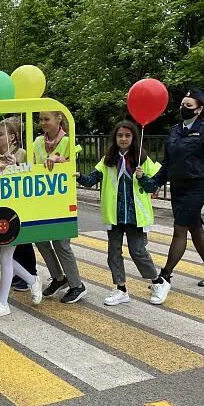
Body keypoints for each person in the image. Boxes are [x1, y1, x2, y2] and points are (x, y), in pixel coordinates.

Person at [136, 88, 204, 302]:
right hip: (178, 187)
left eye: (189, 106)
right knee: (194, 228)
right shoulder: (176, 131)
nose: (183, 109)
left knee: (180, 229)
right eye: (182, 105)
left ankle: (164, 275)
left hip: (197, 187)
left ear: (199, 109)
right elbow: (168, 163)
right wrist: (154, 182)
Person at [77, 121, 161, 305]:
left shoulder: (142, 158)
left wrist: (143, 177)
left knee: (138, 251)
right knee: (113, 253)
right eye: (120, 136)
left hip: (135, 215)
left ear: (134, 137)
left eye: (127, 136)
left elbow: (153, 186)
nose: (123, 139)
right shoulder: (108, 159)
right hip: (114, 214)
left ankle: (157, 281)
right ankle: (121, 288)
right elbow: (92, 179)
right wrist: (79, 176)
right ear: (115, 138)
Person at [0, 117, 43, 319]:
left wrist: (16, 165)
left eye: (0, 134)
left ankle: (2, 303)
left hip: (15, 211)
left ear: (13, 137)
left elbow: (31, 176)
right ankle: (33, 281)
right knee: (0, 257)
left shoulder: (22, 153)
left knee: (6, 256)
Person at [32, 110, 88, 304]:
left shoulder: (68, 142)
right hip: (40, 199)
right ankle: (58, 278)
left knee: (61, 243)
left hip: (61, 201)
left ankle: (77, 285)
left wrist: (60, 161)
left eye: (46, 119)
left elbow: (73, 167)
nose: (43, 123)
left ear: (58, 119)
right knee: (39, 239)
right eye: (40, 119)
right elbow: (31, 166)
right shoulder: (38, 142)